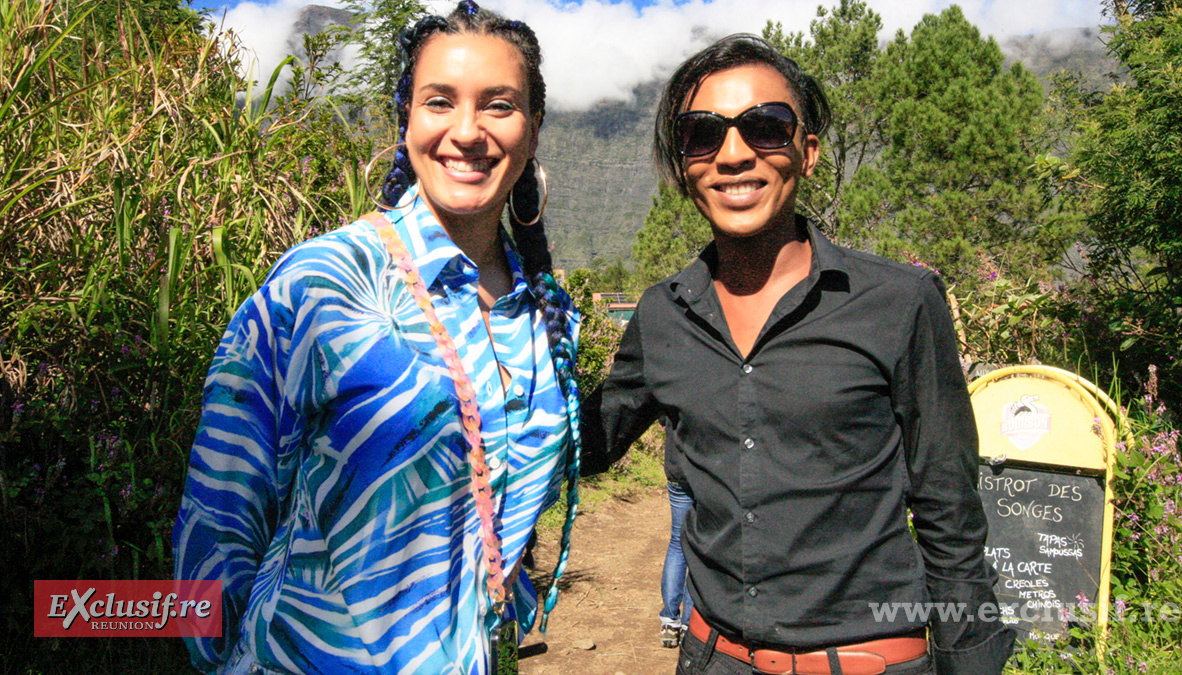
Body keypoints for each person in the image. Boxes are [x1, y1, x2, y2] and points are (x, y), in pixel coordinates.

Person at [582, 34, 1014, 675]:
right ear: (682, 164)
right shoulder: (662, 315)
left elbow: (949, 506)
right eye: (702, 134)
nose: (732, 155)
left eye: (764, 127)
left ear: (806, 152)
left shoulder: (898, 302)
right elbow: (585, 445)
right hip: (714, 659)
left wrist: (970, 660)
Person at [173, 3, 584, 673]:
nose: (467, 131)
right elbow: (217, 512)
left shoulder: (544, 312)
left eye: (499, 105)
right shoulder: (325, 283)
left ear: (533, 131)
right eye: (439, 102)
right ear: (407, 118)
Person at [659, 417, 694, 648]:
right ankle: (691, 623)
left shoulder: (672, 381)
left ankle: (669, 621)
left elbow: (662, 419)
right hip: (701, 471)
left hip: (675, 468)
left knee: (676, 542)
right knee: (700, 547)